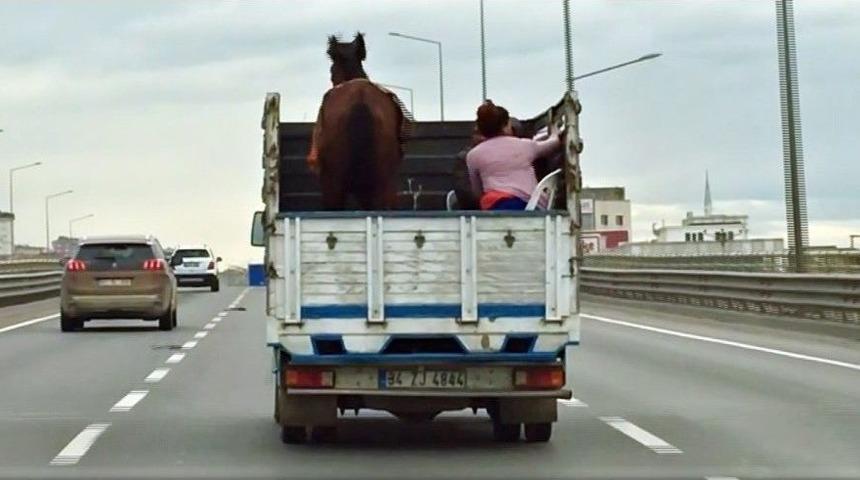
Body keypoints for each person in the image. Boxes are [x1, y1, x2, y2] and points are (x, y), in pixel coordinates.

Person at [466, 100, 562, 210]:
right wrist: (555, 131)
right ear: (505, 125)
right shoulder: (524, 146)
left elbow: (477, 191)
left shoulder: (473, 155)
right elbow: (553, 144)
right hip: (527, 205)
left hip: (494, 206)